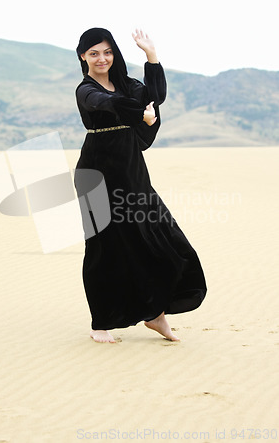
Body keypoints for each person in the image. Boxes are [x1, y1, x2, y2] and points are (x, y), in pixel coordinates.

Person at [74, 27, 207, 343]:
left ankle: (156, 314)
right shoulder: (85, 89)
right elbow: (109, 105)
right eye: (94, 53)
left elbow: (154, 96)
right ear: (83, 56)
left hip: (131, 172)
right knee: (102, 246)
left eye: (107, 51)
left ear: (114, 54)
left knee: (155, 235)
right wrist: (143, 115)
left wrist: (151, 56)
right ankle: (100, 323)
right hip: (95, 174)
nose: (101, 58)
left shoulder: (126, 85)